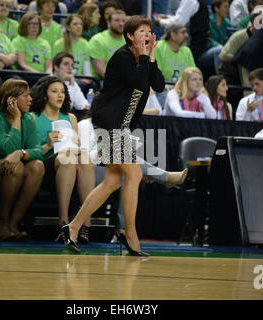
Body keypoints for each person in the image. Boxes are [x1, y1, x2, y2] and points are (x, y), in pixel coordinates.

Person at [58, 15, 165, 256]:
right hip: (110, 122)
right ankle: (130, 234)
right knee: (134, 174)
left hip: (122, 125)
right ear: (129, 35)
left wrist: (152, 56)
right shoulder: (122, 57)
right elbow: (140, 83)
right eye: (141, 31)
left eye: (149, 31)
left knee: (113, 181)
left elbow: (158, 85)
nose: (147, 35)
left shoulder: (146, 58)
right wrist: (145, 57)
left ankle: (73, 227)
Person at [78, 92, 188, 233]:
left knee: (127, 173)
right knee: (123, 159)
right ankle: (164, 177)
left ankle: (123, 229)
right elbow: (84, 157)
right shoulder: (85, 124)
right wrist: (109, 152)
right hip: (91, 172)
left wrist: (136, 169)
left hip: (114, 169)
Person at [30, 75, 95, 244]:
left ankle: (85, 223)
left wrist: (77, 143)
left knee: (84, 158)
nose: (60, 95)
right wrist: (48, 143)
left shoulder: (71, 117)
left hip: (69, 162)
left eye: (62, 92)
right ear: (45, 95)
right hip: (44, 167)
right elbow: (31, 150)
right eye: (54, 91)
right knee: (68, 157)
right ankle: (64, 221)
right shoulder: (33, 117)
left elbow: (77, 148)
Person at [0, 78, 45, 240]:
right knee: (16, 167)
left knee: (37, 166)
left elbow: (38, 151)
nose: (31, 99)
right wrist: (16, 119)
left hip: (17, 164)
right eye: (26, 95)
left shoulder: (29, 118)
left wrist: (22, 153)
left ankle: (13, 223)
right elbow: (7, 149)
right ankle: (2, 224)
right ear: (12, 99)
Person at [154, 0, 210, 64]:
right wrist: (167, 17)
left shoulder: (190, 1)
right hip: (200, 45)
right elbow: (185, 17)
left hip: (193, 48)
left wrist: (160, 22)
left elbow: (178, 23)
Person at [153, 22, 195, 107]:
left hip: (183, 89)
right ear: (173, 35)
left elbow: (194, 74)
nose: (186, 35)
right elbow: (156, 74)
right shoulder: (159, 47)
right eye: (183, 32)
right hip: (163, 89)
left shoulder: (187, 50)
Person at [88, 9, 127, 80]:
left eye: (124, 21)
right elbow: (100, 70)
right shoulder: (98, 40)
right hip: (105, 81)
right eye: (117, 20)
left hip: (126, 82)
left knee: (143, 89)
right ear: (108, 23)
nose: (121, 24)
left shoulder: (129, 40)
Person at [198, 0, 233, 74]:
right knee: (219, 50)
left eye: (228, 7)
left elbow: (232, 37)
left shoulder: (227, 22)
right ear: (216, 8)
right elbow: (206, 38)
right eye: (225, 7)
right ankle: (221, 78)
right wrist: (217, 45)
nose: (228, 10)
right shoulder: (207, 21)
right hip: (205, 53)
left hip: (223, 51)